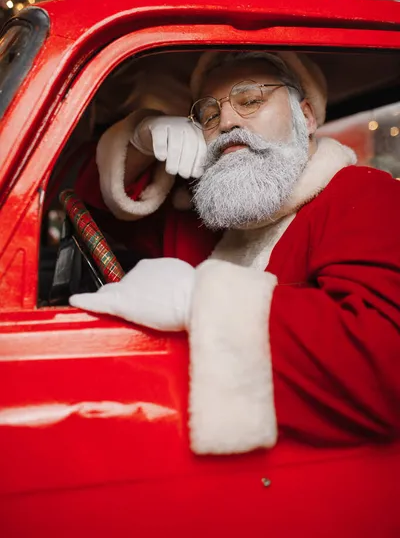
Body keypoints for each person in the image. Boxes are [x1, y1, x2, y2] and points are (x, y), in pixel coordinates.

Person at [71, 50, 400, 459]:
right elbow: (83, 202)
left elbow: (382, 369)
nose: (226, 122)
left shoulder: (366, 196)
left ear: (308, 117)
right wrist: (140, 137)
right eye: (209, 115)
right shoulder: (204, 218)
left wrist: (199, 300)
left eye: (251, 101)